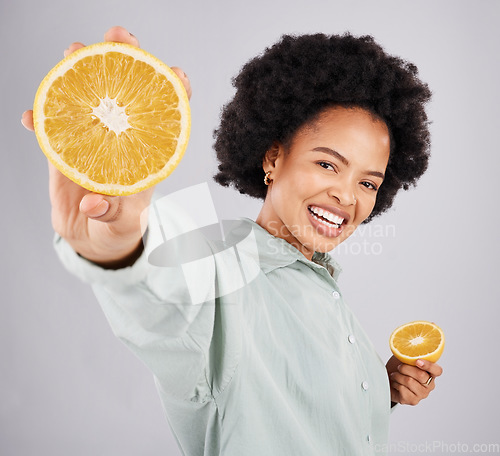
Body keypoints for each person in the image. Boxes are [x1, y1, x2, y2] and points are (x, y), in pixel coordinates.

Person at [22, 26, 443, 456]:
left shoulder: (321, 284)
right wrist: (119, 240)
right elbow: (165, 294)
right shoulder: (220, 267)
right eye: (327, 164)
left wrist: (377, 391)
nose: (347, 196)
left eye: (368, 183)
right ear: (274, 158)